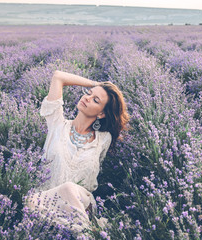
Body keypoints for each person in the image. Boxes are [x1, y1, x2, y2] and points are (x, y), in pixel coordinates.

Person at [25, 70, 129, 236]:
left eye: (95, 100)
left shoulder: (103, 139)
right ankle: (85, 232)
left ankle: (83, 233)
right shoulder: (57, 123)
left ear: (101, 113)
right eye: (88, 94)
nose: (87, 97)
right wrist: (96, 85)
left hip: (80, 202)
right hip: (45, 200)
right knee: (32, 201)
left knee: (69, 188)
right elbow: (58, 76)